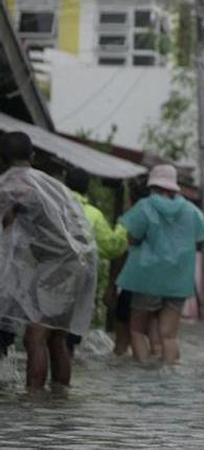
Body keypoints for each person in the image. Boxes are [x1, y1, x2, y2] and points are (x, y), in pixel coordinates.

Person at [0, 132, 97, 390]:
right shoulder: (51, 184)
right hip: (78, 262)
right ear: (32, 156)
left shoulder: (11, 185)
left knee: (35, 337)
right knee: (57, 337)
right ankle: (58, 400)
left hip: (59, 266)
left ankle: (34, 401)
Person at [115, 164, 204, 365]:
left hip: (147, 279)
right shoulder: (191, 211)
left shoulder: (145, 206)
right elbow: (201, 237)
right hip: (178, 280)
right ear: (173, 187)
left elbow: (131, 237)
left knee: (137, 330)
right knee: (169, 336)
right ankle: (170, 378)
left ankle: (144, 373)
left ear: (152, 185)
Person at [64, 167, 129, 356]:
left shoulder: (54, 206)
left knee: (48, 330)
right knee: (70, 335)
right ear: (87, 188)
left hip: (51, 279)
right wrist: (123, 228)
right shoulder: (93, 214)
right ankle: (63, 380)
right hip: (81, 280)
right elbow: (111, 247)